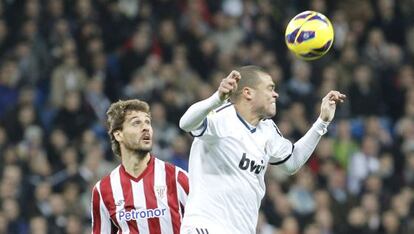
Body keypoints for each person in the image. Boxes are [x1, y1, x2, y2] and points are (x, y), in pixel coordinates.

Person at [179, 65, 346, 234]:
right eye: (270, 88)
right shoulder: (221, 117)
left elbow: (292, 162)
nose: (276, 94)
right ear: (248, 93)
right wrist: (216, 98)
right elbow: (185, 123)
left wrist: (322, 122)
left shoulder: (267, 130)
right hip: (205, 226)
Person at [91, 99, 189, 233]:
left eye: (148, 122)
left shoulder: (177, 178)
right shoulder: (103, 190)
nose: (145, 127)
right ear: (118, 134)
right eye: (136, 123)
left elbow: (205, 222)